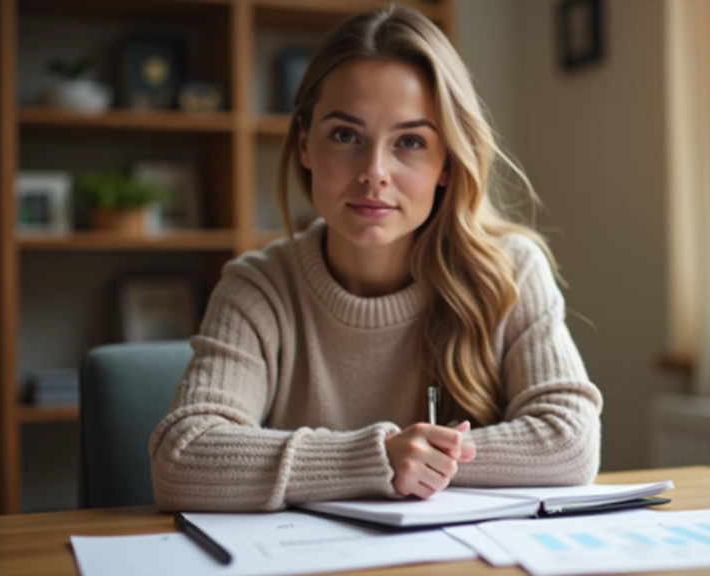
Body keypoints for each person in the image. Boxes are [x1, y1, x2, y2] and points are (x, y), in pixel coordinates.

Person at [148, 5, 602, 512]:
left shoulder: (512, 270)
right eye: (346, 136)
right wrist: (377, 459)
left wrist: (419, 459)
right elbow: (182, 458)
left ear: (447, 162)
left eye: (410, 142)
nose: (374, 172)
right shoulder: (258, 287)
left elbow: (571, 442)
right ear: (305, 144)